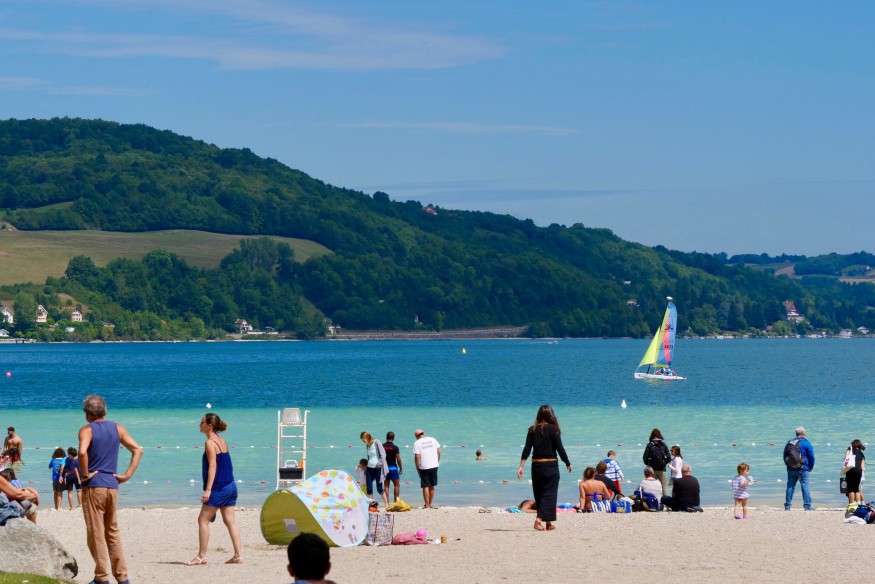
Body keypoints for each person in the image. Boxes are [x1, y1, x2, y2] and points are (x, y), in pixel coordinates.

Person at [78, 394, 143, 584]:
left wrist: (84, 474)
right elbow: (138, 450)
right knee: (112, 532)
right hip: (112, 486)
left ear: (87, 413)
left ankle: (101, 577)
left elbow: (82, 452)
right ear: (104, 410)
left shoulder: (87, 430)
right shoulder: (117, 428)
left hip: (94, 487)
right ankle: (122, 577)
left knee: (96, 533)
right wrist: (127, 474)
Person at [188, 412, 243, 565]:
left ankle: (201, 556)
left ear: (209, 426)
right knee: (230, 521)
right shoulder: (222, 440)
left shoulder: (210, 443)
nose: (199, 424)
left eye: (202, 422)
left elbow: (213, 466)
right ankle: (238, 555)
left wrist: (208, 490)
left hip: (219, 487)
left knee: (203, 520)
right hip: (231, 485)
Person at [517, 405, 572, 531]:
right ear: (551, 415)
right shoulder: (554, 429)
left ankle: (548, 523)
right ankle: (538, 520)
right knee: (550, 494)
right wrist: (567, 462)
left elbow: (526, 450)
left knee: (540, 494)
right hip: (550, 465)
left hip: (536, 466)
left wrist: (521, 467)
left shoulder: (532, 429)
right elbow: (560, 449)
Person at [784, 426, 815, 511]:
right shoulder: (806, 443)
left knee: (790, 486)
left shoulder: (789, 442)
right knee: (805, 486)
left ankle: (787, 506)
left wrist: (789, 465)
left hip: (791, 468)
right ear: (804, 433)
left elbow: (785, 456)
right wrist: (811, 467)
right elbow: (811, 456)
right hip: (803, 468)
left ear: (796, 434)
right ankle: (807, 506)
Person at [413, 428, 441, 509]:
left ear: (416, 436)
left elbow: (417, 457)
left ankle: (427, 505)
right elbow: (438, 451)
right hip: (434, 465)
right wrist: (437, 461)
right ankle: (431, 503)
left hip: (424, 466)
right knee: (432, 485)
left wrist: (417, 467)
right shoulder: (432, 439)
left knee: (425, 485)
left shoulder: (417, 443)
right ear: (423, 433)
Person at [359, 431, 389, 508]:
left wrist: (378, 465)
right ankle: (371, 505)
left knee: (379, 487)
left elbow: (383, 455)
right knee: (369, 487)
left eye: (364, 440)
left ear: (367, 438)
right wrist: (366, 468)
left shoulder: (376, 442)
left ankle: (386, 504)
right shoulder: (367, 446)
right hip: (369, 468)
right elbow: (369, 457)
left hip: (377, 468)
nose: (363, 442)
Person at [642, 428, 671, 493]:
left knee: (651, 487)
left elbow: (645, 457)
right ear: (660, 435)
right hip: (662, 469)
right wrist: (663, 463)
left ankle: (653, 501)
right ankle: (666, 502)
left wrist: (649, 464)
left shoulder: (650, 445)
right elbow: (669, 457)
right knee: (664, 488)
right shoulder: (663, 444)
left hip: (652, 470)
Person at [382, 431, 403, 503]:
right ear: (393, 438)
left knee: (386, 486)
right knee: (396, 485)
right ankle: (396, 502)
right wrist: (401, 467)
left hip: (385, 469)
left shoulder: (382, 446)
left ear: (386, 437)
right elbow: (398, 459)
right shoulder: (395, 447)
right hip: (393, 468)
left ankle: (387, 503)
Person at [843, 439, 866, 504]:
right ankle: (858, 504)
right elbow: (862, 467)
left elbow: (846, 459)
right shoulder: (862, 454)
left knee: (851, 489)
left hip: (851, 470)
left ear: (853, 444)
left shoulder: (849, 449)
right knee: (857, 489)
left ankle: (852, 505)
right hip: (859, 472)